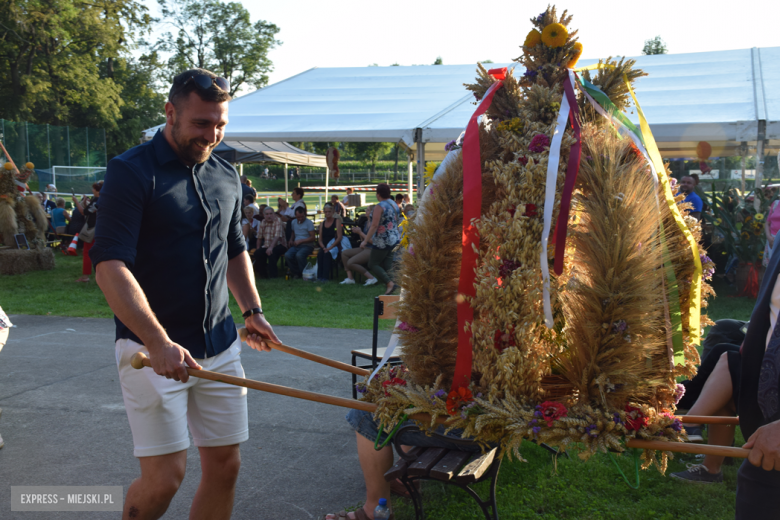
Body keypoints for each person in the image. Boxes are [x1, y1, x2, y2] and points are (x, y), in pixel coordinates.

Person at [89, 68, 280, 520]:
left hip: (220, 345)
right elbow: (109, 265)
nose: (211, 135)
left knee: (226, 466)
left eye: (220, 124)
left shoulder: (226, 175)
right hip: (149, 351)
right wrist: (156, 342)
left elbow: (234, 250)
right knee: (164, 480)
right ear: (170, 113)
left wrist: (251, 309)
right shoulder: (131, 171)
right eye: (201, 123)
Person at [323, 409, 484, 520]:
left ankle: (374, 512)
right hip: (486, 422)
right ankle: (405, 480)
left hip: (473, 429)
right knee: (407, 395)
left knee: (365, 415)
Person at [362, 184, 401, 295]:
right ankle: (396, 286)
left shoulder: (379, 206)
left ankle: (389, 283)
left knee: (373, 263)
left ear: (378, 194)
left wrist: (365, 241)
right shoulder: (394, 204)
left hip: (382, 240)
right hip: (394, 239)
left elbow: (374, 225)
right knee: (388, 264)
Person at [72, 181, 102, 283]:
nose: (92, 190)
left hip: (93, 229)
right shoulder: (104, 199)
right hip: (102, 229)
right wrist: (85, 203)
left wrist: (76, 201)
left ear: (97, 190)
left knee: (87, 252)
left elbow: (83, 212)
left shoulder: (97, 200)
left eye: (94, 188)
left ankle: (85, 277)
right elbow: (90, 211)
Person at [340, 207, 378, 286]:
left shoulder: (375, 224)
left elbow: (373, 241)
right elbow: (363, 239)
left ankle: (371, 278)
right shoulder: (366, 223)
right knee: (344, 253)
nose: (365, 211)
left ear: (372, 213)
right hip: (365, 248)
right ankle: (350, 278)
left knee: (351, 262)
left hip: (372, 249)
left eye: (368, 210)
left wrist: (360, 233)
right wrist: (358, 232)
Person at [253, 206, 286, 278]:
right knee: (257, 253)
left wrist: (270, 248)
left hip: (279, 244)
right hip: (267, 245)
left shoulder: (278, 220)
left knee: (272, 253)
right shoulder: (263, 222)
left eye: (271, 214)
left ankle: (273, 275)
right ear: (264, 215)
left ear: (274, 214)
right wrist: (258, 248)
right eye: (267, 214)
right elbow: (259, 237)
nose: (269, 216)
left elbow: (277, 236)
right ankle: (263, 275)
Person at [284, 206, 315, 279]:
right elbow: (293, 232)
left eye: (302, 217)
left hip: (307, 245)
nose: (300, 219)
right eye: (298, 217)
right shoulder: (293, 222)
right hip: (296, 245)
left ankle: (304, 273)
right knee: (287, 255)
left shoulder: (309, 223)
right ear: (295, 216)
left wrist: (301, 240)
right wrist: (291, 239)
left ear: (305, 214)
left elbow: (312, 237)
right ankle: (296, 272)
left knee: (299, 255)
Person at [316, 203, 343, 282]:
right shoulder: (322, 224)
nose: (327, 213)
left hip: (334, 245)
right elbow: (320, 239)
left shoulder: (337, 221)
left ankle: (325, 277)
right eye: (326, 212)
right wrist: (324, 247)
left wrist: (329, 248)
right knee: (320, 254)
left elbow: (339, 237)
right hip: (324, 245)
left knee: (327, 254)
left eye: (329, 212)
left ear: (333, 212)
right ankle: (319, 276)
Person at [765, 198, 780, 266]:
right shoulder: (775, 204)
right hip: (772, 240)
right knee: (772, 269)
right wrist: (769, 237)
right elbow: (767, 223)